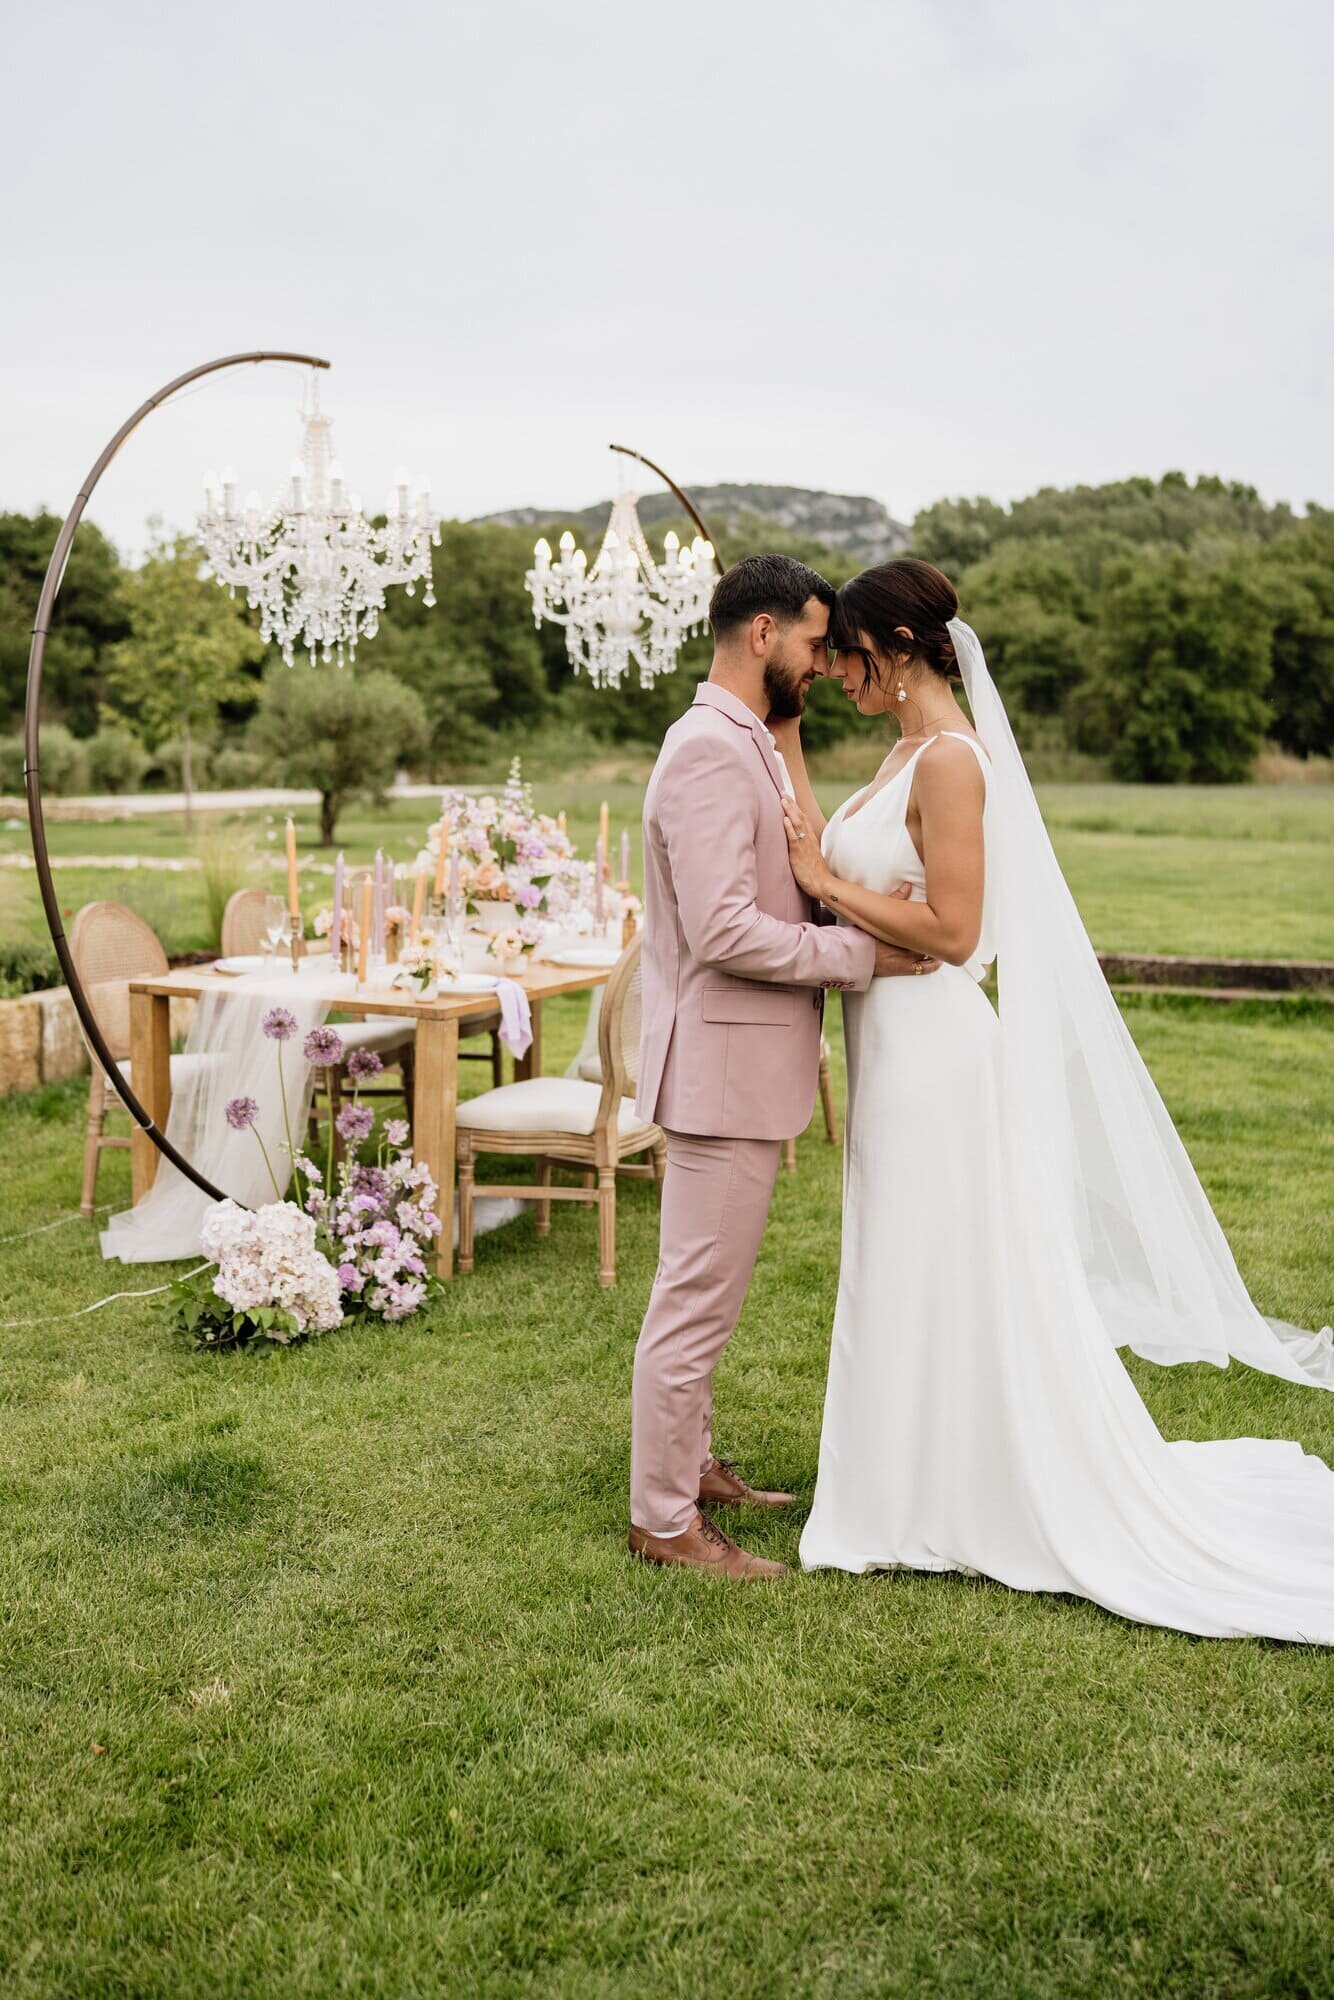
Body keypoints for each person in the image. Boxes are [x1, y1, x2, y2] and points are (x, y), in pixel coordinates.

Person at [777, 556, 1334, 1642]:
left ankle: (948, 1491)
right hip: (891, 1050)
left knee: (937, 1260)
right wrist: (809, 799)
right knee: (904, 1261)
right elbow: (839, 861)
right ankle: (905, 1482)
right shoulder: (897, 754)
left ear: (894, 649)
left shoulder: (949, 762)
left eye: (845, 655)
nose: (837, 673)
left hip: (935, 1054)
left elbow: (951, 932)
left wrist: (836, 888)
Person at [629, 554, 940, 1580]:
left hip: (735, 1066)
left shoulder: (744, 740)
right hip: (723, 1069)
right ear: (760, 634)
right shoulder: (710, 751)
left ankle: (693, 1462)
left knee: (704, 1286)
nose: (820, 662)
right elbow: (723, 929)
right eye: (812, 642)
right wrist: (862, 954)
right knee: (693, 1299)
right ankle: (665, 1519)